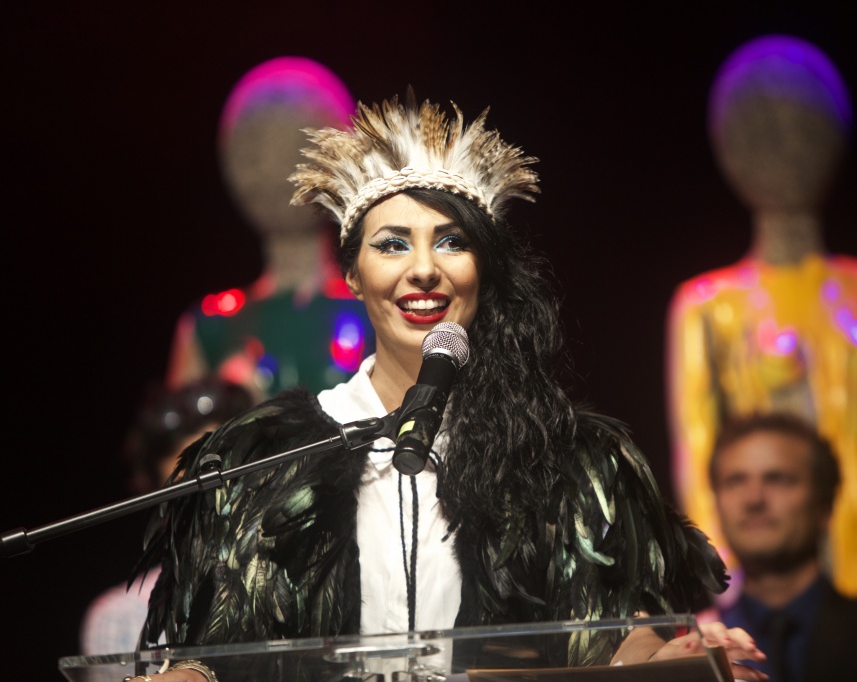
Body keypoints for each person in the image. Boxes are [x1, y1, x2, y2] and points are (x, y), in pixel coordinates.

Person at [130, 90, 768, 681]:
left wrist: (677, 659)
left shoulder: (562, 460)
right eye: (392, 244)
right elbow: (219, 652)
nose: (424, 270)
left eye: (452, 242)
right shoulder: (268, 460)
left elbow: (610, 640)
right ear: (352, 273)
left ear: (482, 269)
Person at [665, 34, 857, 618]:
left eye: (806, 126)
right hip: (781, 578)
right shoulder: (708, 304)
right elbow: (697, 453)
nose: (787, 147)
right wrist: (731, 580)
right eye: (761, 130)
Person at [165, 56, 375, 403]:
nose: (270, 167)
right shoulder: (211, 325)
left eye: (296, 145)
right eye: (251, 151)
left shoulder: (377, 310)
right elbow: (178, 434)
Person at [703, 411, 857, 681]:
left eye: (778, 478)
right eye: (735, 481)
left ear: (825, 504)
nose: (754, 499)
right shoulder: (693, 651)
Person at [79, 377, 254, 655]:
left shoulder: (311, 583)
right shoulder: (120, 618)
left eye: (222, 476)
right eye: (186, 488)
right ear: (160, 508)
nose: (213, 500)